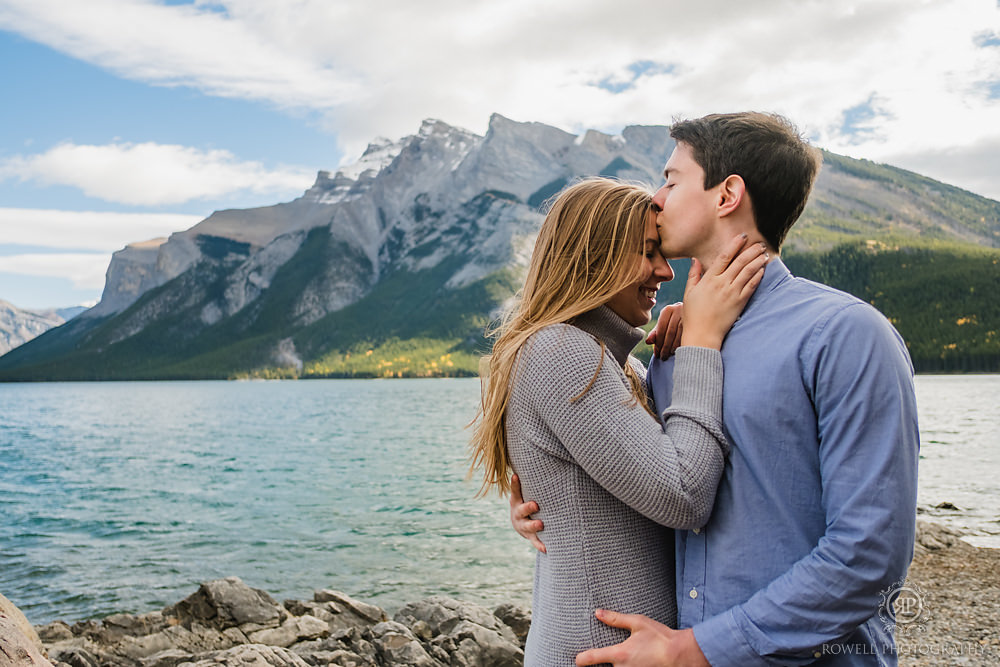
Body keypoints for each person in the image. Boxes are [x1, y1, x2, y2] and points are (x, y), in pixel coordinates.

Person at [512, 112, 920, 666]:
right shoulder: (673, 351)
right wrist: (546, 499)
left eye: (672, 179)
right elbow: (641, 471)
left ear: (727, 194)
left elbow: (870, 556)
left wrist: (700, 650)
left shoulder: (844, 334)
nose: (657, 198)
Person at [469, 177, 768, 666]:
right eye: (649, 252)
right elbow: (685, 496)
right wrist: (700, 341)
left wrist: (688, 327)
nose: (665, 271)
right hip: (598, 650)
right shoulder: (561, 352)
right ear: (594, 256)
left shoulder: (608, 359)